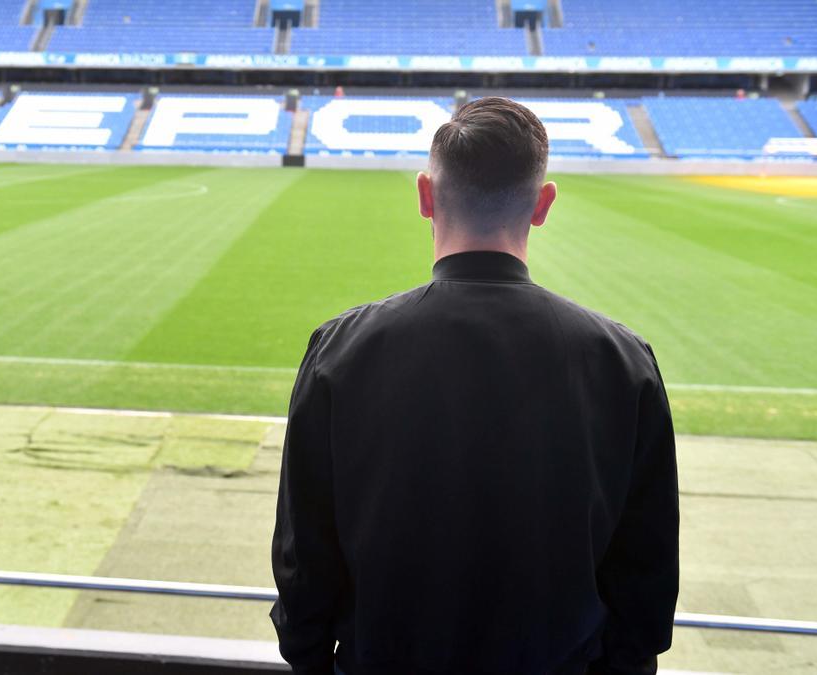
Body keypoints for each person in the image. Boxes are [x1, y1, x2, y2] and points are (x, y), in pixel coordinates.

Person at [270, 97, 679, 675]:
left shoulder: (340, 350)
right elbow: (647, 579)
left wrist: (314, 662)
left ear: (425, 196)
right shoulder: (622, 360)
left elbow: (303, 561)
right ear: (542, 205)